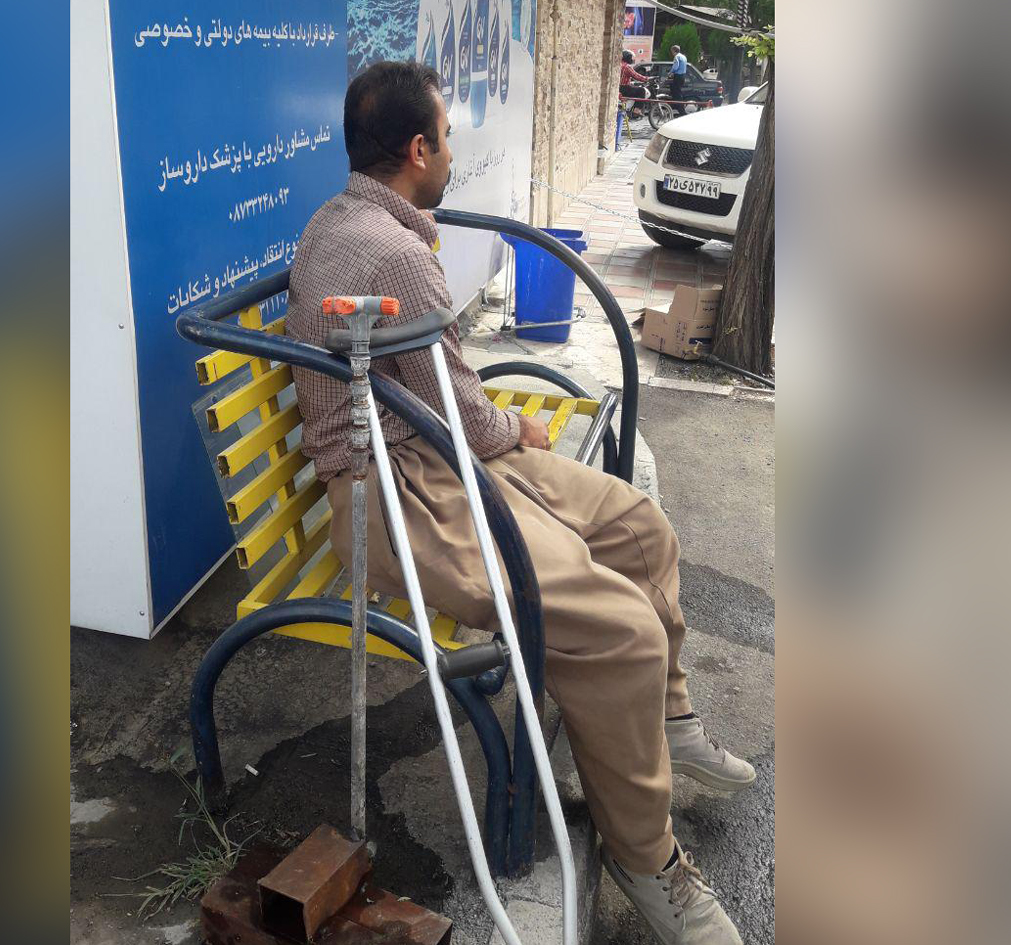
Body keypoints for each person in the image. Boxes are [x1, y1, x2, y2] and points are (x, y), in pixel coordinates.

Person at [287, 61, 753, 945]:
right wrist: (518, 431)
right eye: (448, 137)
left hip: (440, 453)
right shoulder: (388, 252)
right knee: (619, 624)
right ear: (418, 149)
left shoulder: (349, 220)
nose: (453, 152)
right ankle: (644, 857)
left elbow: (449, 401)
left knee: (638, 530)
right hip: (401, 497)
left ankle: (668, 716)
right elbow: (464, 411)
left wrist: (500, 431)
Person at [669, 44, 689, 115]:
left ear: (674, 51)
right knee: (678, 92)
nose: (671, 53)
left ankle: (681, 110)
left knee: (677, 94)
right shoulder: (684, 57)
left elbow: (675, 66)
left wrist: (670, 73)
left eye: (672, 51)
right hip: (683, 76)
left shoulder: (677, 57)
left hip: (678, 76)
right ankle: (677, 107)